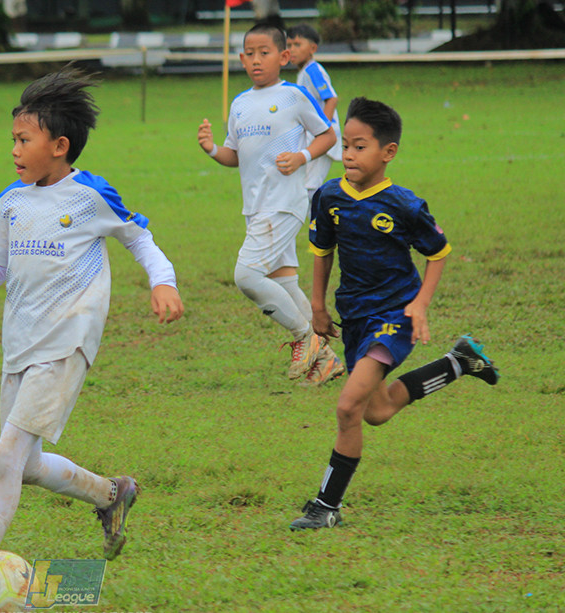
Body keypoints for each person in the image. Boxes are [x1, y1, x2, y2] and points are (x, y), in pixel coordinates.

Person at [0, 66, 184, 613]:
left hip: (67, 342)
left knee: (5, 458)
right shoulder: (11, 200)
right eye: (13, 138)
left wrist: (163, 281)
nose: (13, 149)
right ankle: (113, 494)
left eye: (23, 139)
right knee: (27, 465)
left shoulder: (89, 196)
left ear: (58, 146)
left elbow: (140, 238)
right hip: (20, 347)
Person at [290, 97, 500, 530]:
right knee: (377, 410)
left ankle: (327, 506)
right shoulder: (329, 196)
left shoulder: (404, 205)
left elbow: (438, 254)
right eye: (345, 145)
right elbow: (322, 251)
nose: (348, 154)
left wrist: (419, 305)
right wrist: (316, 304)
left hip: (394, 316)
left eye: (359, 146)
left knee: (348, 407)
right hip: (355, 316)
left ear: (388, 152)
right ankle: (459, 362)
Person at [197, 22, 344, 387]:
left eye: (265, 53)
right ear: (242, 59)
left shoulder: (294, 95)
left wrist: (302, 157)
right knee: (286, 282)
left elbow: (328, 134)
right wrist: (213, 150)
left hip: (284, 204)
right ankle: (325, 360)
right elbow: (235, 156)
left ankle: (304, 339)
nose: (256, 60)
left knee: (246, 276)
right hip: (256, 207)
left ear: (284, 56)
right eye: (250, 53)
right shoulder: (240, 103)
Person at [285, 23, 343, 217]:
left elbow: (331, 98)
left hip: (324, 136)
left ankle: (322, 233)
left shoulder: (313, 70)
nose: (292, 50)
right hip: (316, 135)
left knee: (309, 187)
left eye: (297, 44)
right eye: (289, 45)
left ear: (312, 48)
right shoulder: (304, 72)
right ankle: (319, 232)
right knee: (306, 185)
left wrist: (323, 130)